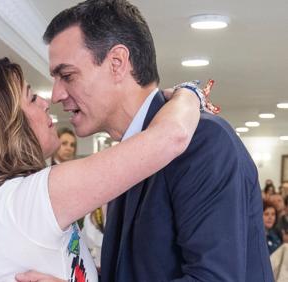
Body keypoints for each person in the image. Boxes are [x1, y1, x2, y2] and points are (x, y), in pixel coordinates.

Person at [16, 0, 273, 281]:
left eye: (67, 76)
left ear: (117, 63)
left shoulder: (204, 142)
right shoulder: (127, 155)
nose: (56, 95)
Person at [0, 58, 201, 281]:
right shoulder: (26, 202)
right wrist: (188, 92)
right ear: (7, 125)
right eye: (31, 98)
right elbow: (172, 136)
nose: (45, 102)